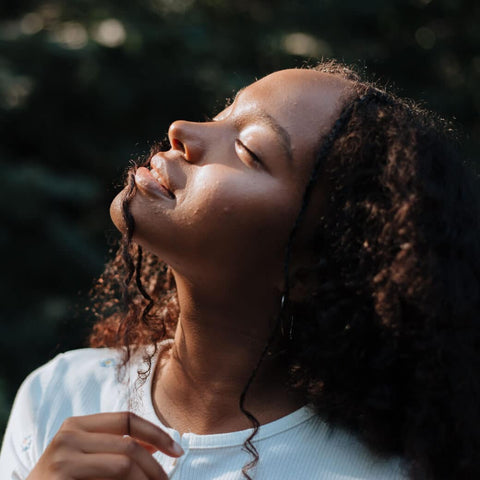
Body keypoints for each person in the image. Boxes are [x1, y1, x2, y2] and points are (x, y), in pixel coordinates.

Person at [1, 61, 479, 480]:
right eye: (222, 113)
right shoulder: (61, 394)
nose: (182, 129)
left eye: (249, 150)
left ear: (314, 270)